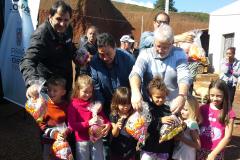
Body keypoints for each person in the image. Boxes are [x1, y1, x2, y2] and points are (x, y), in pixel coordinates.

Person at [19, 0, 77, 97]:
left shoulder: (68, 28)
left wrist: (77, 55)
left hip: (65, 84)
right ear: (50, 17)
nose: (62, 24)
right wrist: (32, 82)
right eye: (58, 19)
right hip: (50, 89)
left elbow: (69, 45)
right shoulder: (42, 35)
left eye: (66, 20)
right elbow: (27, 60)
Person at [129, 23, 191, 114]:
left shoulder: (179, 53)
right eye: (158, 46)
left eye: (165, 47)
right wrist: (135, 92)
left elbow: (184, 75)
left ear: (172, 43)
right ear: (154, 41)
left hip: (173, 107)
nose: (161, 50)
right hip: (150, 108)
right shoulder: (145, 54)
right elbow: (136, 73)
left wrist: (182, 95)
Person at [90, 32, 135, 117]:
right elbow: (96, 86)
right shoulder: (95, 62)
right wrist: (99, 103)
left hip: (126, 107)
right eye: (101, 54)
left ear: (115, 47)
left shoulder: (128, 59)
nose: (105, 58)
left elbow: (135, 84)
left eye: (108, 53)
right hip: (106, 107)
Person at [67, 74, 111, 160]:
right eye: (85, 92)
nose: (88, 94)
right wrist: (89, 123)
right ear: (77, 90)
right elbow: (72, 125)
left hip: (97, 138)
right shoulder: (73, 105)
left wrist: (108, 124)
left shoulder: (94, 104)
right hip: (82, 140)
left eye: (90, 92)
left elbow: (103, 118)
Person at [197, 79, 235, 160]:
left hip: (216, 152)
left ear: (224, 95)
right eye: (212, 95)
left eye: (218, 96)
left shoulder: (229, 113)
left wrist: (213, 154)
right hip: (199, 149)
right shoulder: (202, 109)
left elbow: (228, 137)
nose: (214, 98)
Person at [140, 76, 174, 160]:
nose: (161, 99)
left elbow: (172, 129)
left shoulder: (168, 109)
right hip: (148, 148)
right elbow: (146, 126)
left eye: (163, 97)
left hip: (163, 149)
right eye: (157, 97)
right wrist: (160, 120)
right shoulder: (147, 108)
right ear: (150, 95)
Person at [39, 76, 71, 160]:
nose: (51, 93)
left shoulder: (67, 106)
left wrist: (66, 132)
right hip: (48, 141)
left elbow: (70, 123)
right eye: (49, 90)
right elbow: (41, 124)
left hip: (62, 141)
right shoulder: (44, 105)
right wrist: (54, 134)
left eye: (55, 90)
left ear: (63, 92)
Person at [110, 87, 137, 160]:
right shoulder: (114, 115)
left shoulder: (133, 114)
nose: (126, 107)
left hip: (130, 150)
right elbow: (114, 134)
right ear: (116, 103)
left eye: (128, 104)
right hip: (117, 150)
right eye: (122, 104)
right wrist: (117, 127)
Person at [172, 95, 201, 160]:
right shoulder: (182, 121)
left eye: (185, 110)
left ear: (192, 110)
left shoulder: (192, 124)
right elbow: (177, 139)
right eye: (181, 108)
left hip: (187, 156)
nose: (182, 111)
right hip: (178, 155)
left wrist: (181, 138)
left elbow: (197, 145)